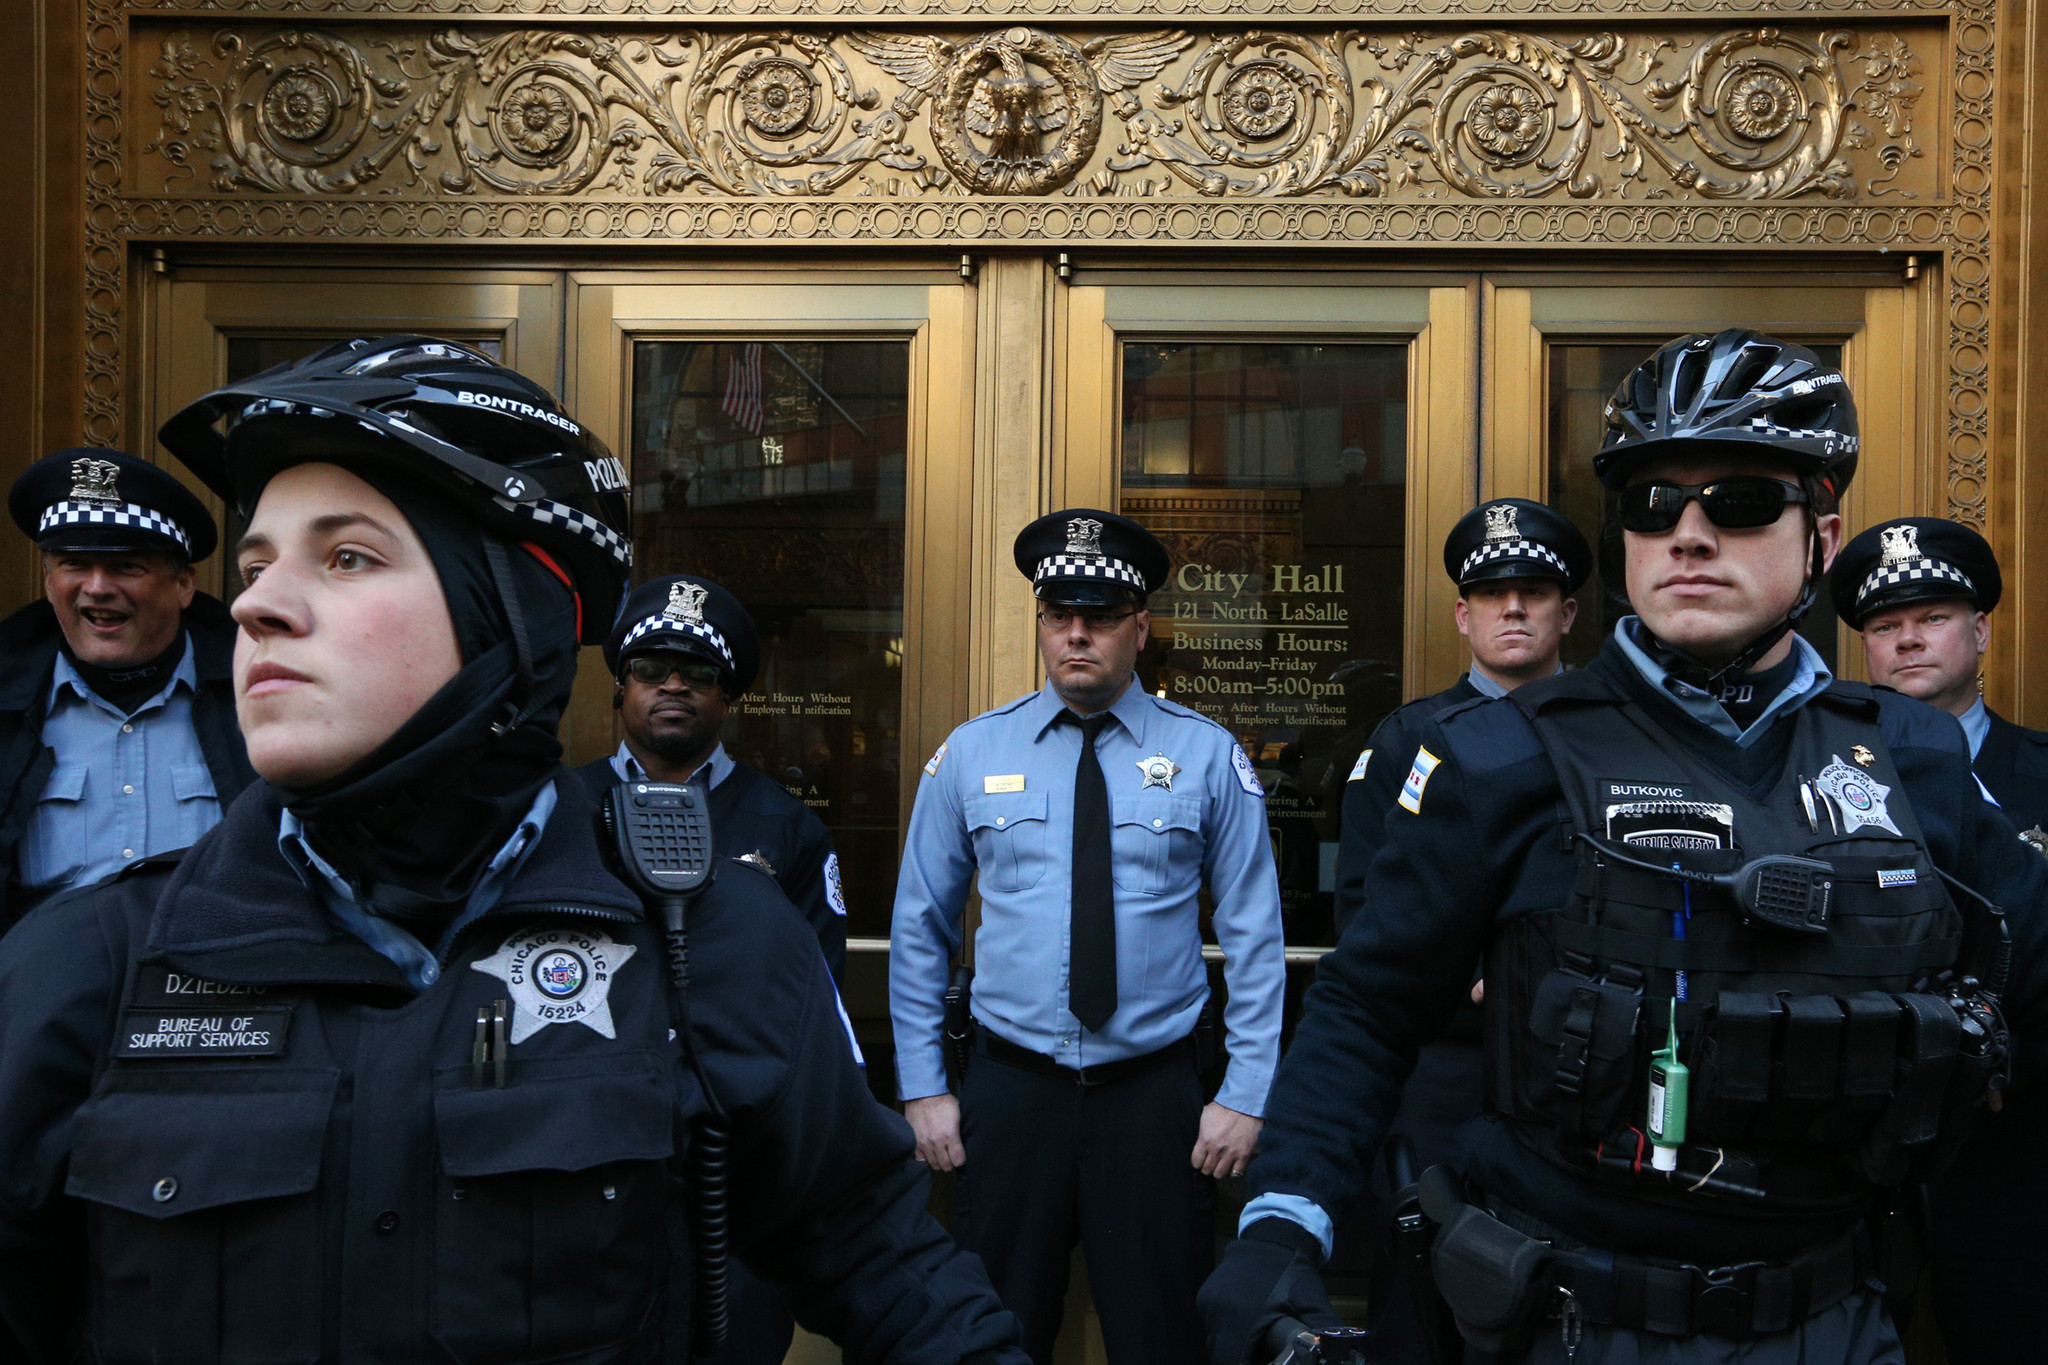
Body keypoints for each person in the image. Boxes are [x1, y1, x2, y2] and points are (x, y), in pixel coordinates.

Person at [0, 336, 1026, 1365]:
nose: (259, 602)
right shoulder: (91, 967)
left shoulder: (707, 945)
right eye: (257, 561)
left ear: (512, 619)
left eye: (346, 555)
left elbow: (887, 1270)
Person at [1198, 329, 2048, 1365]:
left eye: (1736, 502)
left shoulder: (1906, 752)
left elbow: (2026, 975)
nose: (1686, 536)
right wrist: (1281, 1223)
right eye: (1652, 506)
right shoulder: (1504, 756)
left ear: (1822, 538)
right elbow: (1368, 1009)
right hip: (1569, 1321)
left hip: (1832, 1317)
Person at [890, 508, 1288, 1365]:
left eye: (1101, 616)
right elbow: (920, 928)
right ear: (1040, 623)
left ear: (1139, 628)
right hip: (1010, 1093)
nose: (1077, 633)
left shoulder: (1208, 758)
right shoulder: (969, 754)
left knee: (1162, 1335)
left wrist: (1245, 1092)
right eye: (1059, 615)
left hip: (1154, 1102)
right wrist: (923, 1085)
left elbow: (1255, 937)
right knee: (992, 1331)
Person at [1335, 497, 1590, 1361]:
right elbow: (1364, 910)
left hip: (1577, 1075)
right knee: (1418, 1302)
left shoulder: (1613, 741)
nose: (1512, 608)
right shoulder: (1409, 739)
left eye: (1532, 591)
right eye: (1491, 593)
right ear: (1462, 613)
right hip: (1441, 1070)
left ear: (1568, 612)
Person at [1832, 515, 2048, 1364]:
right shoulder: (1821, 775)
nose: (1908, 640)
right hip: (1856, 1141)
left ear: (1982, 631)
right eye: (1885, 626)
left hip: (2012, 1144)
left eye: (1932, 618)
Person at [0, 448, 252, 931]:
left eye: (126, 567)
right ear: (49, 581)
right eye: (74, 563)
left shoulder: (260, 694)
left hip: (217, 991)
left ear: (183, 585)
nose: (96, 587)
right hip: (43, 994)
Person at [576, 573, 847, 982]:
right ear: (620, 688)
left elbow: (817, 984)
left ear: (726, 701)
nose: (673, 686)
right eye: (650, 670)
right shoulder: (564, 806)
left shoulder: (788, 824)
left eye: (699, 673)